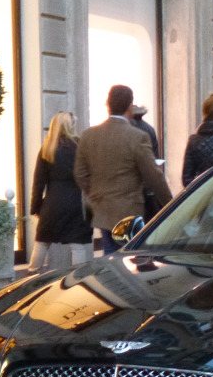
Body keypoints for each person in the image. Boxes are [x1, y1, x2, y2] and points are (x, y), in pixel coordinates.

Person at [75, 84, 173, 254]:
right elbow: (154, 177)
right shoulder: (137, 137)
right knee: (131, 260)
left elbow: (80, 173)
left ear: (108, 105)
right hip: (129, 212)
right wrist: (171, 206)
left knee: (110, 259)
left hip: (102, 210)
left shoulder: (89, 135)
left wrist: (96, 193)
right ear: (130, 107)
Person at [27, 112, 93, 272]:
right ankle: (79, 278)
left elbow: (39, 182)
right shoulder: (80, 147)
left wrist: (35, 207)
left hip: (52, 203)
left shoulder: (47, 149)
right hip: (76, 203)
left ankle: (32, 273)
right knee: (77, 246)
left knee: (42, 241)